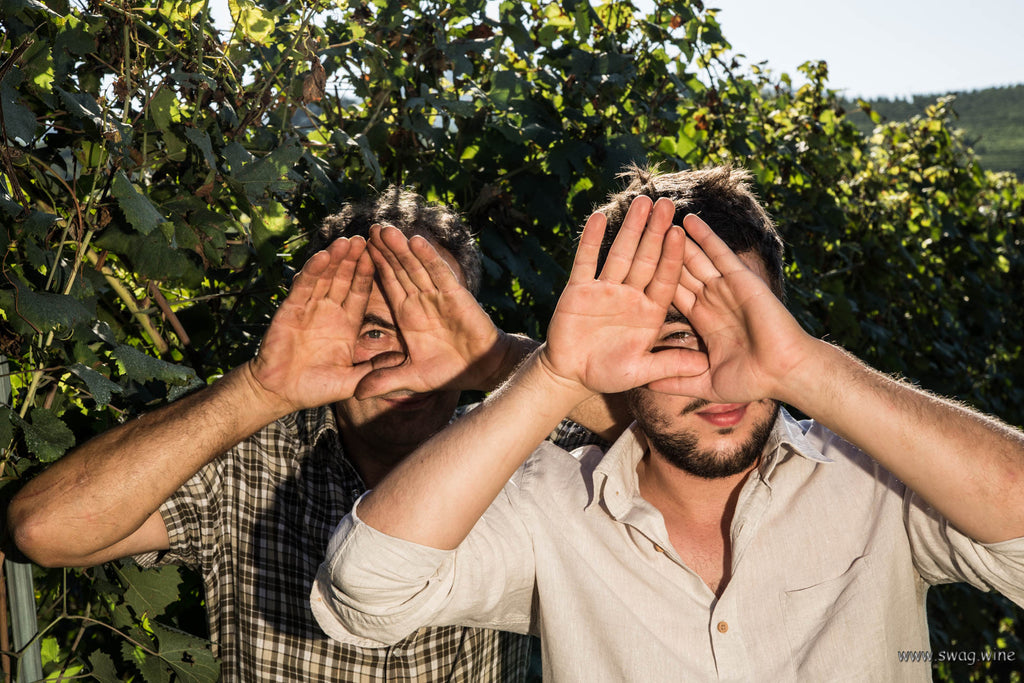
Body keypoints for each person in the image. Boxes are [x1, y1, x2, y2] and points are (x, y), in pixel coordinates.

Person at [311, 167, 1024, 681]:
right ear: (617, 358)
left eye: (744, 327)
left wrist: (808, 368)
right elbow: (366, 591)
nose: (721, 373)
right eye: (676, 337)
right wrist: (555, 376)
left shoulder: (877, 483)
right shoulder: (549, 505)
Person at [6, 187, 609, 681]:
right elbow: (44, 530)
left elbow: (660, 447)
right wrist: (258, 391)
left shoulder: (529, 454)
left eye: (437, 330)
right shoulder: (250, 465)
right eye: (375, 332)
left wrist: (500, 360)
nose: (409, 362)